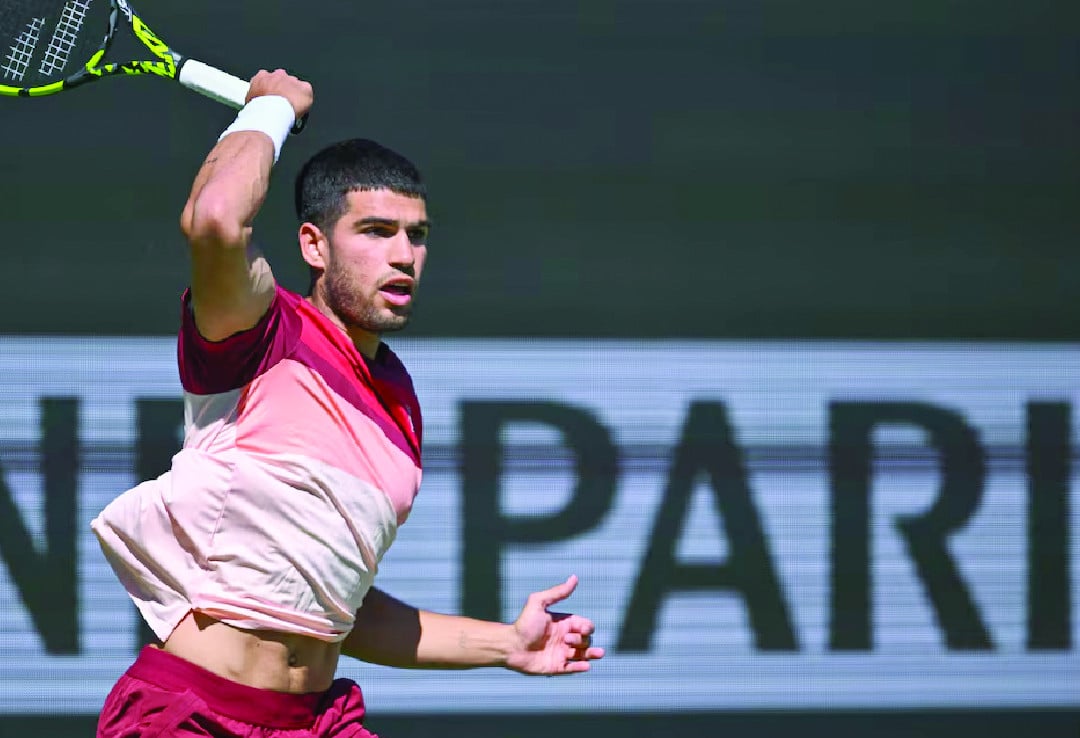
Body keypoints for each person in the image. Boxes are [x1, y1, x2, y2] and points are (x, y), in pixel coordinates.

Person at [90, 70, 604, 737]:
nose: (403, 256)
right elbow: (214, 219)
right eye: (375, 231)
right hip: (193, 716)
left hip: (317, 719)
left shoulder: (400, 406)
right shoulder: (261, 333)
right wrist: (272, 107)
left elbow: (336, 607)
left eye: (416, 236)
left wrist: (506, 644)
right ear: (314, 244)